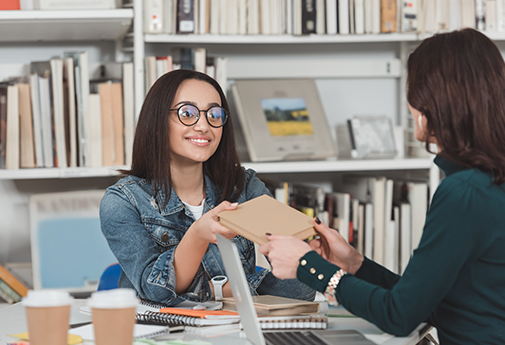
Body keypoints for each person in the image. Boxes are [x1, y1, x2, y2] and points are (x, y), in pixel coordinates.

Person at [259, 28, 505, 345]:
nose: (410, 104)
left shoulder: (465, 192)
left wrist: (307, 266)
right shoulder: (486, 180)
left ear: (434, 102)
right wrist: (355, 265)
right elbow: (428, 304)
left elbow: (399, 316)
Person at [100, 69, 314, 306]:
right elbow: (156, 293)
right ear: (158, 122)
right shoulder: (123, 201)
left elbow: (300, 289)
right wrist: (198, 235)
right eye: (188, 113)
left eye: (214, 114)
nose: (204, 125)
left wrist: (212, 289)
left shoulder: (244, 186)